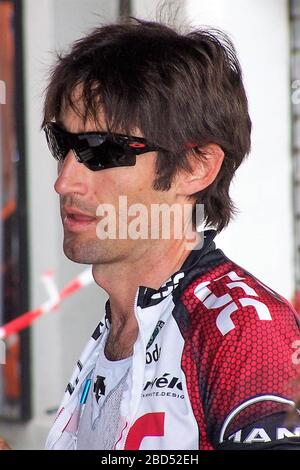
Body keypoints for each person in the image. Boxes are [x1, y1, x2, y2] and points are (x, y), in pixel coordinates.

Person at [42, 18, 300, 450]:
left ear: (197, 165)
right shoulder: (123, 324)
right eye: (62, 143)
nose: (65, 181)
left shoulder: (246, 333)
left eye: (103, 150)